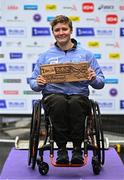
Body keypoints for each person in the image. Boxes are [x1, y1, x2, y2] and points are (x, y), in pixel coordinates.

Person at [29, 15, 105, 164]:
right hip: (53, 95)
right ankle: (61, 149)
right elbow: (33, 83)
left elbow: (101, 82)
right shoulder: (45, 56)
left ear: (71, 30)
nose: (61, 32)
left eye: (64, 29)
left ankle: (77, 149)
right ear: (53, 32)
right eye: (57, 30)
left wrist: (93, 78)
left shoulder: (86, 55)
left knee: (76, 102)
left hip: (79, 95)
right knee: (59, 101)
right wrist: (39, 83)